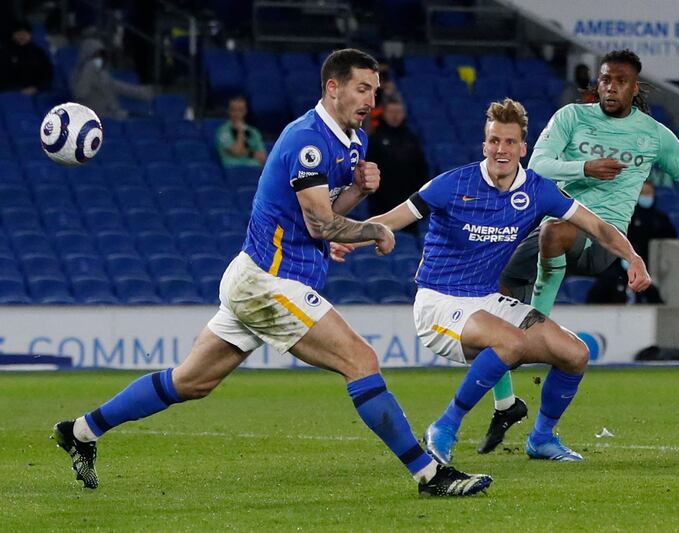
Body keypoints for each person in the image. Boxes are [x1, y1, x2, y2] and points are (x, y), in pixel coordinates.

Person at [52, 48, 491, 498]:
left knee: (191, 381)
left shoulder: (353, 139)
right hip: (269, 281)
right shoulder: (308, 140)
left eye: (375, 92)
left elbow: (321, 217)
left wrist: (358, 191)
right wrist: (372, 229)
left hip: (261, 277)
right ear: (332, 87)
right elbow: (321, 223)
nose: (370, 100)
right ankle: (428, 475)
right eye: (362, 89)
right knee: (361, 361)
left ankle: (81, 431)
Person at [482, 49, 679, 456]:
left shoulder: (654, 136)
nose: (610, 87)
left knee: (555, 232)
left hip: (603, 241)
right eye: (605, 79)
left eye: (620, 81)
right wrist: (584, 169)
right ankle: (506, 405)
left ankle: (537, 326)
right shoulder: (572, 117)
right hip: (550, 229)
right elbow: (536, 166)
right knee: (497, 289)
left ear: (634, 87)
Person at [332, 98, 652, 464]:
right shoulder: (451, 184)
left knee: (575, 354)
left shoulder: (537, 189)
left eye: (510, 142)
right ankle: (444, 427)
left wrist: (633, 257)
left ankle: (542, 439)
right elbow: (392, 218)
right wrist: (348, 238)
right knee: (511, 342)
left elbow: (596, 226)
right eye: (495, 141)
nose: (501, 149)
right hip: (440, 301)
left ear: (523, 148)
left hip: (487, 300)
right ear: (484, 144)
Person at [366, 94, 428, 229]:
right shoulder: (375, 139)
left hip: (409, 205)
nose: (395, 116)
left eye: (398, 112)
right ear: (384, 113)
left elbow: (422, 169)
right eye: (391, 112)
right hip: (381, 204)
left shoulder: (412, 139)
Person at [69, 38, 154, 119]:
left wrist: (143, 92)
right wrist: (88, 71)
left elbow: (120, 87)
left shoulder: (103, 75)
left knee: (144, 119)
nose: (99, 59)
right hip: (95, 118)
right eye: (96, 56)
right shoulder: (76, 75)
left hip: (114, 114)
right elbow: (80, 94)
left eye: (101, 56)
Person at [0, 19, 53, 95]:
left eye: (24, 33)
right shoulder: (5, 53)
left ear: (30, 34)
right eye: (18, 33)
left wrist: (37, 88)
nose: (21, 36)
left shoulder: (38, 52)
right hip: (11, 93)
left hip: (37, 93)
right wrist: (17, 90)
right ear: (13, 35)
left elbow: (47, 74)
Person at [215, 95, 268, 168]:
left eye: (240, 110)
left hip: (254, 170)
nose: (236, 113)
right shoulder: (223, 131)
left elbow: (263, 157)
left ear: (245, 111)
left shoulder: (253, 132)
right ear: (229, 111)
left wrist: (246, 152)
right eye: (233, 110)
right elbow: (237, 151)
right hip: (234, 170)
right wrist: (241, 132)